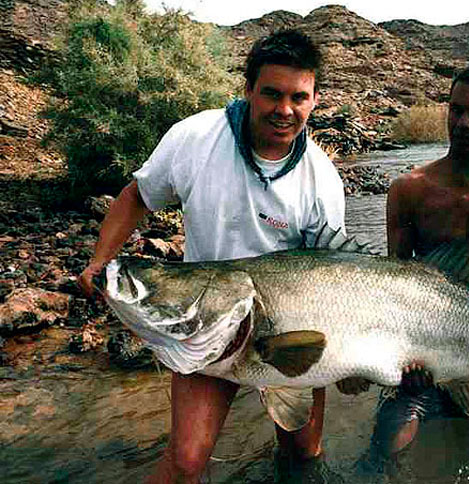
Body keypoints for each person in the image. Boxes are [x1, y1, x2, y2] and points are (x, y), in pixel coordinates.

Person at [78, 30, 346, 483]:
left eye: (299, 97)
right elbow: (137, 196)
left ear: (314, 100)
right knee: (185, 464)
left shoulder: (322, 180)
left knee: (304, 453)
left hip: (288, 332)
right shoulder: (196, 137)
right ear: (248, 90)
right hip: (207, 324)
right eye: (272, 94)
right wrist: (98, 262)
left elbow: (336, 275)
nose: (285, 110)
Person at [362, 64, 469, 468]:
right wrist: (407, 360)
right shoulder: (409, 189)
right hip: (423, 339)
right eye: (456, 110)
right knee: (384, 451)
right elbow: (393, 283)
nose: (464, 123)